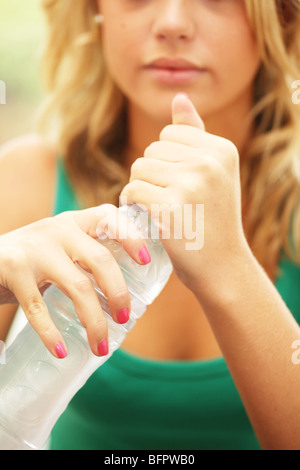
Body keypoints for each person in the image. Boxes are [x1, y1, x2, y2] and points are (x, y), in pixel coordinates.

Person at [0, 0, 300, 450]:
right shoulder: (24, 179)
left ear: (281, 15)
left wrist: (229, 268)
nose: (172, 23)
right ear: (93, 10)